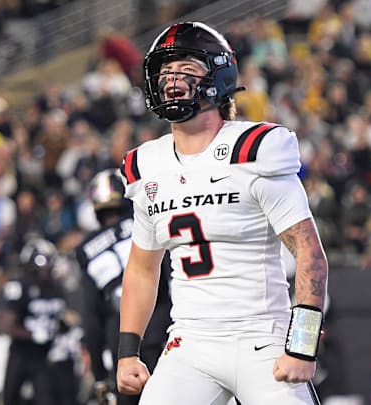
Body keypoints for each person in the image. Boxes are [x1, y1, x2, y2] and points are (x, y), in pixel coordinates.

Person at [115, 21, 328, 405]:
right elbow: (142, 267)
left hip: (262, 336)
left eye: (187, 68)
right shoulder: (147, 165)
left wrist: (303, 345)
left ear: (218, 75)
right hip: (190, 342)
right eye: (165, 71)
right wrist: (128, 350)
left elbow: (310, 253)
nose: (172, 79)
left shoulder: (255, 149)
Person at [76, 169, 172, 404]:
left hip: (122, 346)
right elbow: (172, 279)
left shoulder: (85, 249)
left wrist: (99, 376)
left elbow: (91, 320)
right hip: (160, 330)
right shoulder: (147, 221)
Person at [0, 236, 68, 405]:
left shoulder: (56, 288)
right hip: (20, 353)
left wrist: (64, 332)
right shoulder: (20, 287)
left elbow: (60, 321)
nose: (45, 271)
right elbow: (6, 325)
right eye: (41, 267)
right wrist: (33, 335)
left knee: (46, 399)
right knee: (11, 398)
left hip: (43, 355)